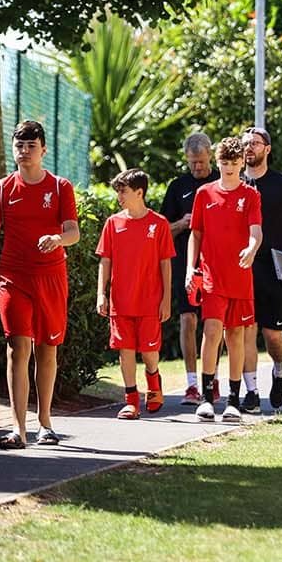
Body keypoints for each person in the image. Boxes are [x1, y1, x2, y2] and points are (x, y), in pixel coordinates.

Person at [0, 120, 80, 449]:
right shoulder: (1, 189)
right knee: (17, 347)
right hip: (13, 278)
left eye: (31, 146)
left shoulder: (60, 187)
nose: (24, 151)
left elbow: (73, 232)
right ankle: (17, 429)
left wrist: (58, 239)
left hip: (51, 277)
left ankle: (45, 423)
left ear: (43, 150)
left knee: (47, 350)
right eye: (19, 146)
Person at [186, 136, 262, 422]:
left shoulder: (251, 195)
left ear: (242, 163)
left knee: (235, 335)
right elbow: (196, 234)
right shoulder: (204, 193)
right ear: (217, 162)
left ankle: (233, 400)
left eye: (234, 162)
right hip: (211, 276)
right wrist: (189, 269)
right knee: (211, 331)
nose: (229, 168)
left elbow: (256, 232)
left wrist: (251, 248)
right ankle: (206, 399)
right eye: (224, 162)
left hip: (240, 276)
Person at [96, 168, 175, 419]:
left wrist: (166, 299)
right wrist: (101, 294)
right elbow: (105, 261)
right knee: (125, 349)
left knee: (149, 353)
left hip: (150, 301)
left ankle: (154, 384)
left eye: (124, 191)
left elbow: (165, 264)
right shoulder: (113, 223)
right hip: (120, 301)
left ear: (139, 193)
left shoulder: (159, 224)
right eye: (118, 191)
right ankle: (131, 401)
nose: (119, 196)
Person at [240, 125, 282, 414]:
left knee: (272, 335)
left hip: (274, 268)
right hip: (242, 267)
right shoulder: (234, 182)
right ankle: (251, 392)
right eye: (246, 143)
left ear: (267, 149)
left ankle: (279, 370)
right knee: (246, 330)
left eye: (255, 143)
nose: (249, 147)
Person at [160, 132, 219, 405]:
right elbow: (162, 230)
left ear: (210, 156)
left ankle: (212, 379)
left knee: (214, 322)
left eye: (202, 162)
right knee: (188, 319)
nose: (197, 167)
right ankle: (192, 383)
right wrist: (182, 223)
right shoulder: (177, 187)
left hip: (216, 263)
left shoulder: (221, 181)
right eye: (193, 162)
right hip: (185, 263)